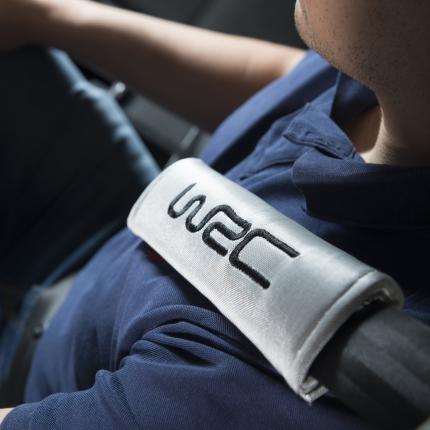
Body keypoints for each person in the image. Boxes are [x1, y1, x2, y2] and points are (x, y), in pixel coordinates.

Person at [0, 0, 429, 428]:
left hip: (45, 375)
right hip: (123, 244)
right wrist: (49, 17)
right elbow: (286, 83)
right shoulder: (392, 70)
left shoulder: (274, 387)